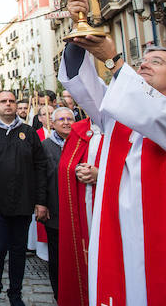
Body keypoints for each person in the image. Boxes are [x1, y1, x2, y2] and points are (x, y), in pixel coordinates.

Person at [59, 0, 166, 306]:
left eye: (156, 62)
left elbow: (159, 117)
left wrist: (115, 61)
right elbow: (83, 86)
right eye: (142, 62)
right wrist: (76, 30)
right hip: (122, 239)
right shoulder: (118, 115)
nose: (144, 66)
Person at [0, 90, 47, 306]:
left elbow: (40, 166)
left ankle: (16, 292)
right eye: (3, 101)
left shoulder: (28, 132)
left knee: (18, 251)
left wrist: (40, 200)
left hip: (23, 203)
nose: (8, 105)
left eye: (11, 101)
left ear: (16, 105)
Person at [57, 113, 103, 306]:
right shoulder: (79, 130)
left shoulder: (126, 126)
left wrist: (101, 174)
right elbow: (65, 165)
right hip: (84, 209)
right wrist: (75, 169)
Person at [40, 106, 75, 300]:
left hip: (78, 211)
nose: (66, 123)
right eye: (61, 119)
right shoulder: (45, 146)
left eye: (69, 119)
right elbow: (41, 178)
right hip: (56, 210)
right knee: (58, 256)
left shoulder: (82, 144)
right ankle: (60, 293)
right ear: (52, 124)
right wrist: (42, 204)